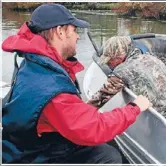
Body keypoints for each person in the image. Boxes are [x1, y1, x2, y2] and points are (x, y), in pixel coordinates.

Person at [2, 4, 151, 164]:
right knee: (109, 157)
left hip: (25, 144)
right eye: (74, 30)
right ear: (60, 31)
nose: (77, 36)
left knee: (105, 151)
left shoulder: (34, 62)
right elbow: (95, 129)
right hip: (33, 155)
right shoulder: (52, 87)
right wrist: (134, 108)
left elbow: (69, 111)